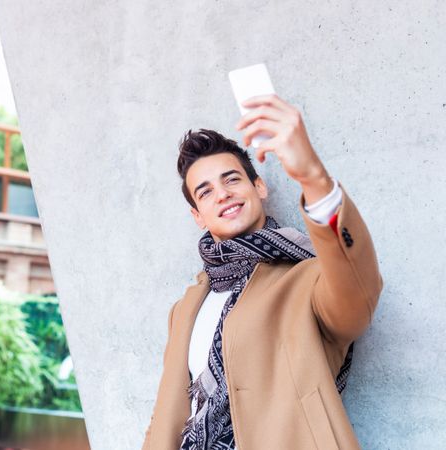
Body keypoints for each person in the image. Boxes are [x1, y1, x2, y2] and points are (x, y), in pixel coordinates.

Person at [141, 94, 383, 450]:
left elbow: (357, 294)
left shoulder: (308, 280)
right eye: (205, 192)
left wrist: (313, 177)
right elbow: (168, 417)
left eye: (232, 180)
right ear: (198, 216)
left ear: (259, 187)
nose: (222, 194)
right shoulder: (186, 308)